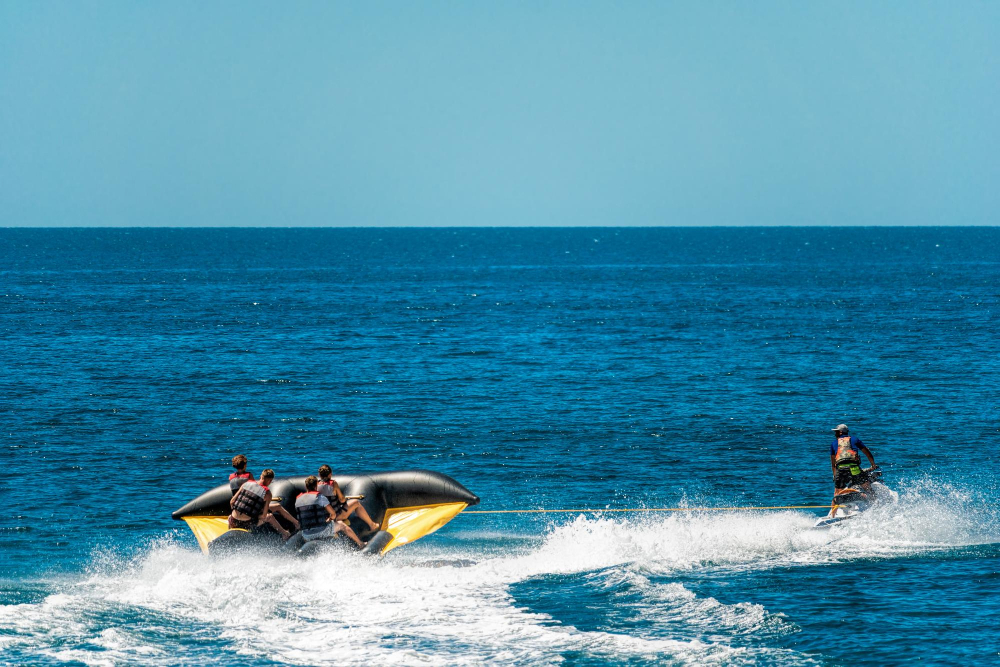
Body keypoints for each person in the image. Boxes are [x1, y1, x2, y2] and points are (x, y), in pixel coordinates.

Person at [295, 476, 366, 547]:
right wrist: (329, 519)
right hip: (321, 532)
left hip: (306, 535)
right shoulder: (320, 497)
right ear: (316, 485)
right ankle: (360, 543)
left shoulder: (298, 499)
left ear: (306, 486)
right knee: (341, 525)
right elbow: (333, 514)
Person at [229, 469, 293, 540]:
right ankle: (285, 533)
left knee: (231, 516)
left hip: (233, 520)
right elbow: (264, 516)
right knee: (269, 516)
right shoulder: (267, 493)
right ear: (270, 481)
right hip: (247, 524)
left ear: (261, 476)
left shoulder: (246, 484)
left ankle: (230, 528)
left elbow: (232, 501)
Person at [316, 464, 380, 533]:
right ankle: (372, 525)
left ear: (319, 475)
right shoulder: (333, 484)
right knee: (356, 503)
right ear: (330, 474)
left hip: (322, 518)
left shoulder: (316, 485)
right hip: (336, 516)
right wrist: (343, 499)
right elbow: (342, 499)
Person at [829, 424, 877, 502]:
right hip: (854, 468)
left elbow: (833, 464)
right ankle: (875, 502)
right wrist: (873, 465)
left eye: (836, 432)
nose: (835, 434)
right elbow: (867, 452)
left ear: (840, 432)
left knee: (837, 493)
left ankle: (834, 508)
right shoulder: (854, 439)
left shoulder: (834, 443)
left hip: (841, 470)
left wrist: (835, 476)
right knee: (867, 487)